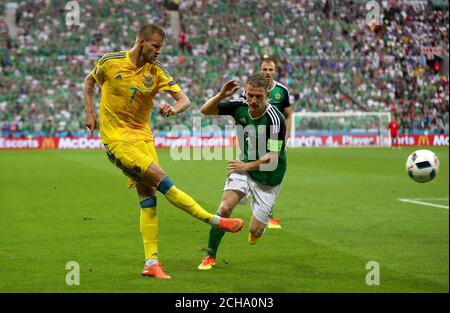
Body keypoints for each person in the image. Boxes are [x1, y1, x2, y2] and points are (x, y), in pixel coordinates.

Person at [83, 24, 244, 280]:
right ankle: (214, 220)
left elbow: (185, 100)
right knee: (163, 181)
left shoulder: (156, 72)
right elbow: (90, 81)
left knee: (149, 201)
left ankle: (151, 262)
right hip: (117, 141)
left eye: (161, 48)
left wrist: (175, 109)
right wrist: (90, 113)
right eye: (155, 46)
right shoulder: (110, 62)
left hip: (143, 139)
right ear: (141, 42)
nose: (158, 52)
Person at [197, 74, 287, 270]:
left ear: (267, 96)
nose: (253, 100)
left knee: (255, 231)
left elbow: (273, 157)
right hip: (243, 167)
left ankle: (258, 226)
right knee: (224, 209)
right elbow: (205, 110)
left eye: (258, 97)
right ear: (245, 92)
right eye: (250, 95)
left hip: (269, 176)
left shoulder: (275, 119)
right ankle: (210, 255)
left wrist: (245, 166)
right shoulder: (239, 105)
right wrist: (221, 94)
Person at [255, 57, 292, 228]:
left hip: (275, 139)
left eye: (270, 70)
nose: (267, 73)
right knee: (257, 173)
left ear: (275, 71)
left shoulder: (282, 91)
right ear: (260, 70)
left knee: (273, 174)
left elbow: (288, 115)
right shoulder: (252, 89)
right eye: (264, 69)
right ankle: (263, 211)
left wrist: (286, 137)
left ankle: (267, 211)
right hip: (257, 138)